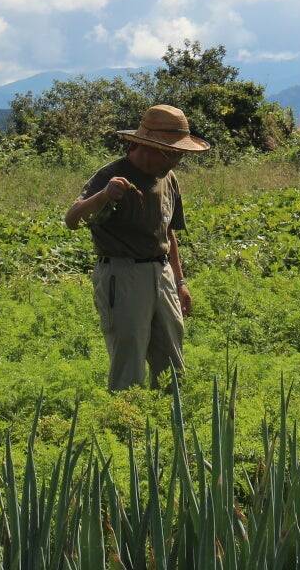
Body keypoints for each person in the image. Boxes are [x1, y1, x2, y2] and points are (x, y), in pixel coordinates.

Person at [65, 104, 210, 391]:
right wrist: (104, 196)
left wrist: (180, 282)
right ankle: (125, 425)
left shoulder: (168, 177)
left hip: (162, 272)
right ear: (152, 147)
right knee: (128, 361)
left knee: (172, 361)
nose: (179, 160)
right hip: (124, 275)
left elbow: (168, 232)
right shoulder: (112, 174)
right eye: (175, 153)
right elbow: (72, 218)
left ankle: (169, 420)